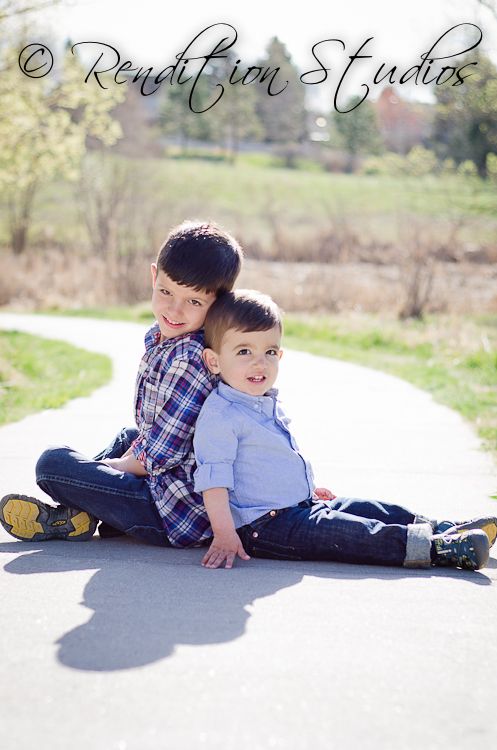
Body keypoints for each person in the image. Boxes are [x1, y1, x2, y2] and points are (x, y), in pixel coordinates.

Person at [193, 289, 496, 570]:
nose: (260, 363)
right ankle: (436, 549)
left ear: (280, 355)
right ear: (214, 361)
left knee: (371, 508)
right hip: (266, 527)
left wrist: (305, 490)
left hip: (300, 505)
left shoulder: (263, 402)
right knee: (352, 533)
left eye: (270, 352)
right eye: (244, 351)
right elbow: (214, 481)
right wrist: (224, 534)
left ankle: (445, 528)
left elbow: (270, 463)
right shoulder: (221, 415)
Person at [0, 221, 243, 548]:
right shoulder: (163, 339)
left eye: (194, 302)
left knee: (52, 464)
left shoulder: (190, 358)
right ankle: (77, 516)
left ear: (220, 304)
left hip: (172, 511)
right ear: (153, 277)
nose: (174, 309)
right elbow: (150, 440)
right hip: (165, 486)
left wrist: (102, 469)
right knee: (127, 436)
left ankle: (75, 511)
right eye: (166, 292)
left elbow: (157, 456)